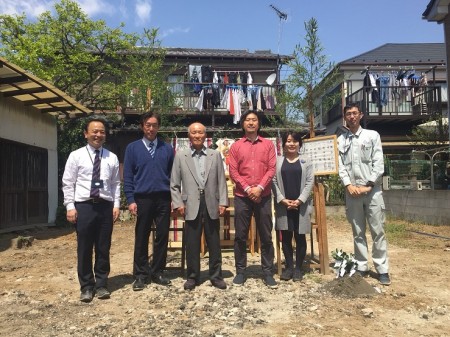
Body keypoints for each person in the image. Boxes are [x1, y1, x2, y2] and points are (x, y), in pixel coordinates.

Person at [62, 118, 121, 302]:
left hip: (105, 206)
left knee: (103, 247)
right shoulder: (76, 155)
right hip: (84, 206)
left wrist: (116, 204)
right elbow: (68, 182)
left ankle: (102, 284)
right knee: (85, 247)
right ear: (86, 134)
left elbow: (115, 184)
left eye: (102, 131)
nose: (98, 134)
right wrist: (70, 206)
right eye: (94, 131)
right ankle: (86, 286)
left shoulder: (111, 157)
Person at [170, 122, 229, 290]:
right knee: (192, 242)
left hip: (211, 202)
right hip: (190, 204)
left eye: (200, 133)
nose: (197, 135)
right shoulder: (181, 156)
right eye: (194, 133)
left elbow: (221, 181)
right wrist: (178, 203)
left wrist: (223, 202)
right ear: (189, 136)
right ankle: (193, 276)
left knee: (214, 242)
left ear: (205, 135)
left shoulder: (214, 155)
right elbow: (174, 184)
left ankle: (216, 276)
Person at [337, 103, 391, 285]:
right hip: (352, 192)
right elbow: (341, 167)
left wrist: (368, 186)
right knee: (357, 231)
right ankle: (362, 266)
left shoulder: (372, 136)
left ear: (360, 115)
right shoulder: (340, 140)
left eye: (354, 113)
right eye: (348, 114)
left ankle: (382, 269)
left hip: (372, 191)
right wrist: (348, 185)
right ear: (345, 117)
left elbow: (379, 163)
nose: (351, 117)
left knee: (378, 231)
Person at [123, 112, 174, 290]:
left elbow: (173, 176)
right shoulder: (133, 148)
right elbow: (128, 176)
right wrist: (130, 199)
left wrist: (174, 198)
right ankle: (141, 274)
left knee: (162, 236)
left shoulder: (167, 148)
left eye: (154, 125)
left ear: (158, 127)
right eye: (147, 125)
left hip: (163, 198)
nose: (151, 128)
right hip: (142, 198)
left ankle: (158, 271)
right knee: (141, 236)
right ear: (142, 126)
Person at [228, 111, 277, 288]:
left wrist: (260, 188)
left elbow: (271, 168)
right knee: (240, 235)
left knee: (265, 235)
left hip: (263, 196)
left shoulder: (268, 145)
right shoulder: (236, 146)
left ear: (259, 124)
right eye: (247, 120)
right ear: (242, 124)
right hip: (242, 196)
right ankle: (241, 271)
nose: (250, 123)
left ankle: (268, 272)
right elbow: (233, 171)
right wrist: (249, 188)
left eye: (254, 120)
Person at [272, 131, 314, 282]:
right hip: (284, 206)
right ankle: (289, 267)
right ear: (283, 144)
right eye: (288, 141)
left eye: (295, 141)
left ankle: (298, 269)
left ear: (299, 144)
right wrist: (282, 199)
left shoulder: (306, 160)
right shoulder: (277, 161)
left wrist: (300, 200)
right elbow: (273, 182)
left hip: (300, 206)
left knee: (300, 236)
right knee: (286, 236)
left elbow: (310, 182)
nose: (291, 144)